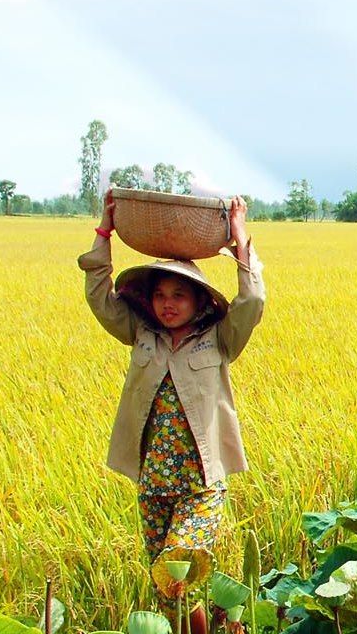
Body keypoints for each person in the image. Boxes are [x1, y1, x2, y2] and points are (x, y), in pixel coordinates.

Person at [79, 189, 262, 609]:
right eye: (161, 296)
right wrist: (104, 231)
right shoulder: (141, 332)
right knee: (168, 593)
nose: (167, 305)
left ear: (200, 299)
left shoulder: (219, 338)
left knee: (177, 572)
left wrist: (238, 233)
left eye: (179, 296)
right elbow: (98, 296)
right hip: (154, 483)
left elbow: (252, 300)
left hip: (201, 484)